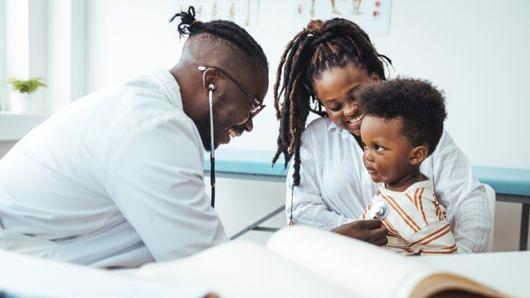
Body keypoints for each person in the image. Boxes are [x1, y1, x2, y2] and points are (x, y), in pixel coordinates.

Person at [0, 7, 269, 268]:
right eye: (252, 103)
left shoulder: (143, 106)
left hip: (35, 245)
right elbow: (202, 260)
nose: (249, 125)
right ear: (211, 82)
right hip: (16, 256)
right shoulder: (155, 126)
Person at [273, 18, 491, 253]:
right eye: (334, 106)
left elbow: (469, 201)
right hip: (346, 265)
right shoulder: (316, 140)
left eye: (356, 94)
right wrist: (357, 234)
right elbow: (301, 212)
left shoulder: (415, 128)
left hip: (419, 268)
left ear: (375, 80)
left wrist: (460, 262)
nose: (349, 110)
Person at [357, 78, 456, 255]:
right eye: (365, 145)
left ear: (416, 155)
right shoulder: (393, 188)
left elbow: (446, 265)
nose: (367, 156)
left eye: (377, 148)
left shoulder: (420, 214)